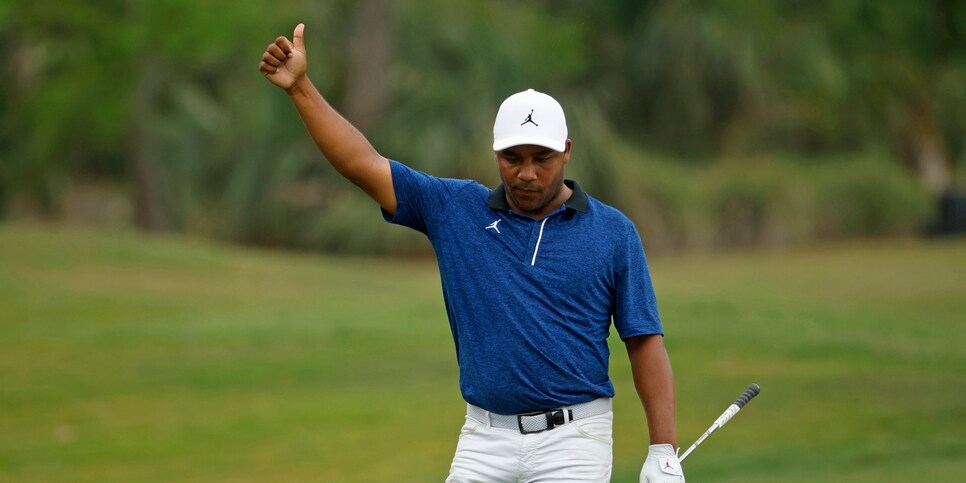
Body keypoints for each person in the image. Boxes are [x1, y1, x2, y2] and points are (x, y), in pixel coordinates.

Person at [260, 23, 685, 483]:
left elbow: (643, 340)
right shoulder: (455, 209)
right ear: (495, 153)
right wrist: (300, 87)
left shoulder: (613, 232)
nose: (525, 174)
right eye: (512, 158)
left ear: (566, 152)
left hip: (575, 440)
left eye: (541, 158)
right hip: (484, 439)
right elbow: (362, 163)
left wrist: (662, 448)